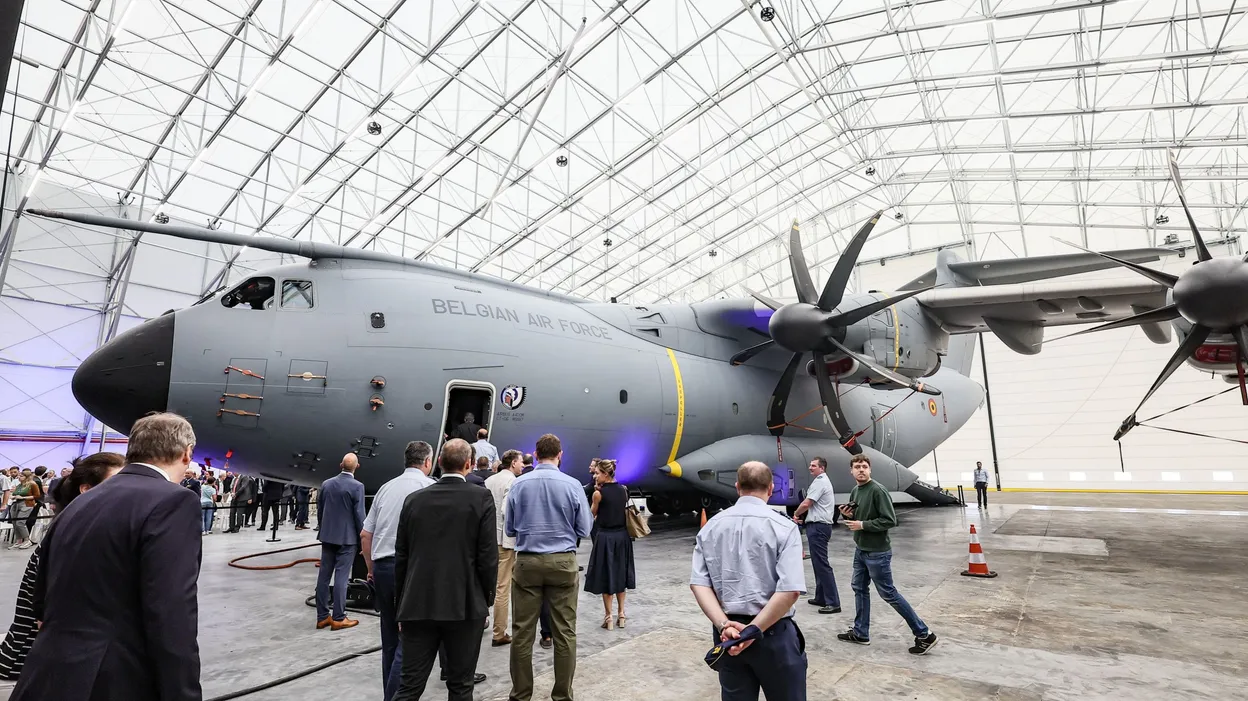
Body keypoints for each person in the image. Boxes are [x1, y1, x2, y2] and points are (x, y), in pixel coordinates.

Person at [11, 413, 203, 701]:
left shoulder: (81, 502)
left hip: (47, 673)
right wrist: (183, 693)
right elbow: (171, 609)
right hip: (112, 679)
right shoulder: (174, 501)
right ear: (186, 454)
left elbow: (40, 598)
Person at [0, 452, 126, 681]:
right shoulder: (71, 537)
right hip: (31, 663)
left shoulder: (71, 528)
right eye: (117, 483)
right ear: (86, 489)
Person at [690, 461, 807, 701]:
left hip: (728, 636)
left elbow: (699, 584)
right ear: (771, 488)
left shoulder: (711, 527)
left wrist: (724, 625)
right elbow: (790, 590)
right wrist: (754, 631)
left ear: (737, 487)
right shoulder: (784, 528)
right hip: (773, 633)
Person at [392, 438, 497, 701]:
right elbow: (487, 556)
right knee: (461, 685)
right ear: (469, 465)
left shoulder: (414, 500)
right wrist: (485, 599)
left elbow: (402, 556)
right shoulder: (481, 498)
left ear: (438, 462)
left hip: (418, 603)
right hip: (464, 604)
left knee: (409, 686)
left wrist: (401, 605)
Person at [505, 433, 592, 701]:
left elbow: (509, 529)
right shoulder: (573, 484)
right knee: (565, 632)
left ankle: (520, 694)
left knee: (522, 632)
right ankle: (562, 696)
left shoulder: (519, 484)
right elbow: (585, 528)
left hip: (528, 561)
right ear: (560, 455)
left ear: (536, 453)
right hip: (563, 560)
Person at [837, 453, 938, 654]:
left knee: (888, 593)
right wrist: (848, 515)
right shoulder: (856, 491)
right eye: (857, 467)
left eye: (864, 466)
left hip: (877, 553)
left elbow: (890, 520)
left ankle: (924, 634)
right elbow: (860, 515)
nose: (861, 470)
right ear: (851, 471)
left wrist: (862, 524)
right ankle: (860, 632)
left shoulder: (878, 490)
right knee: (859, 589)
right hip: (861, 549)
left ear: (870, 469)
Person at [361, 441, 436, 701]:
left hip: (382, 568)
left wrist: (371, 568)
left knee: (390, 639)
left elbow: (365, 534)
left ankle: (388, 694)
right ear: (427, 462)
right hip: (411, 571)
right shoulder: (429, 488)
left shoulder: (385, 488)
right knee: (411, 640)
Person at [315, 453, 366, 630]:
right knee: (341, 578)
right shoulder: (357, 486)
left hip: (328, 536)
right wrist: (363, 538)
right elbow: (359, 515)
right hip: (347, 538)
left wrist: (323, 530)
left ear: (340, 465)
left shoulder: (326, 484)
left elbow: (320, 510)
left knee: (323, 576)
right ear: (357, 467)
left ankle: (322, 616)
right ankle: (338, 617)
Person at [584, 459, 635, 630]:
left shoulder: (598, 494)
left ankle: (609, 617)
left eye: (597, 473)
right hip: (622, 537)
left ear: (605, 474)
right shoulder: (623, 490)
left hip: (605, 537)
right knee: (620, 574)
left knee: (607, 576)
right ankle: (621, 614)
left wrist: (595, 497)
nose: (595, 476)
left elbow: (592, 514)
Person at [792, 457, 841, 614]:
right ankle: (821, 597)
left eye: (813, 466)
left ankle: (833, 602)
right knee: (818, 563)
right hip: (819, 526)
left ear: (822, 468)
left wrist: (796, 513)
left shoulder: (820, 481)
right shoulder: (821, 480)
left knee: (822, 564)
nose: (810, 468)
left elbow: (807, 503)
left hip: (818, 527)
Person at [484, 449, 524, 646]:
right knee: (503, 587)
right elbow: (506, 511)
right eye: (520, 462)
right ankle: (499, 632)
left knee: (486, 583)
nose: (523, 465)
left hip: (488, 539)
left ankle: (483, 619)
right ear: (513, 463)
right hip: (504, 541)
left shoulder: (490, 480)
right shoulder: (513, 482)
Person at [6, 470, 42, 550]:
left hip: (26, 504)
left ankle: (27, 540)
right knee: (15, 523)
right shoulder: (20, 485)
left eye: (21, 476)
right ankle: (19, 541)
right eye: (19, 476)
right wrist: (13, 496)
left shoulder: (33, 484)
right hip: (16, 504)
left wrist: (23, 497)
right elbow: (15, 493)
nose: (19, 477)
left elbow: (36, 496)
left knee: (20, 523)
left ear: (27, 477)